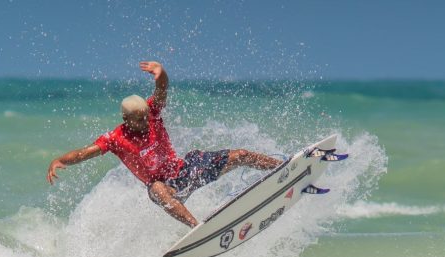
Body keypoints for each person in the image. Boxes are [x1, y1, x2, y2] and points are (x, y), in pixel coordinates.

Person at [47, 61, 282, 228]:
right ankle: (196, 227)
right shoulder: (115, 139)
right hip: (165, 187)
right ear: (125, 119)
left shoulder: (153, 113)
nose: (144, 122)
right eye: (138, 119)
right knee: (156, 189)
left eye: (145, 116)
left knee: (240, 154)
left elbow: (161, 90)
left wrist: (161, 73)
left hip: (185, 169)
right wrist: (59, 160)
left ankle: (282, 167)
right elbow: (84, 152)